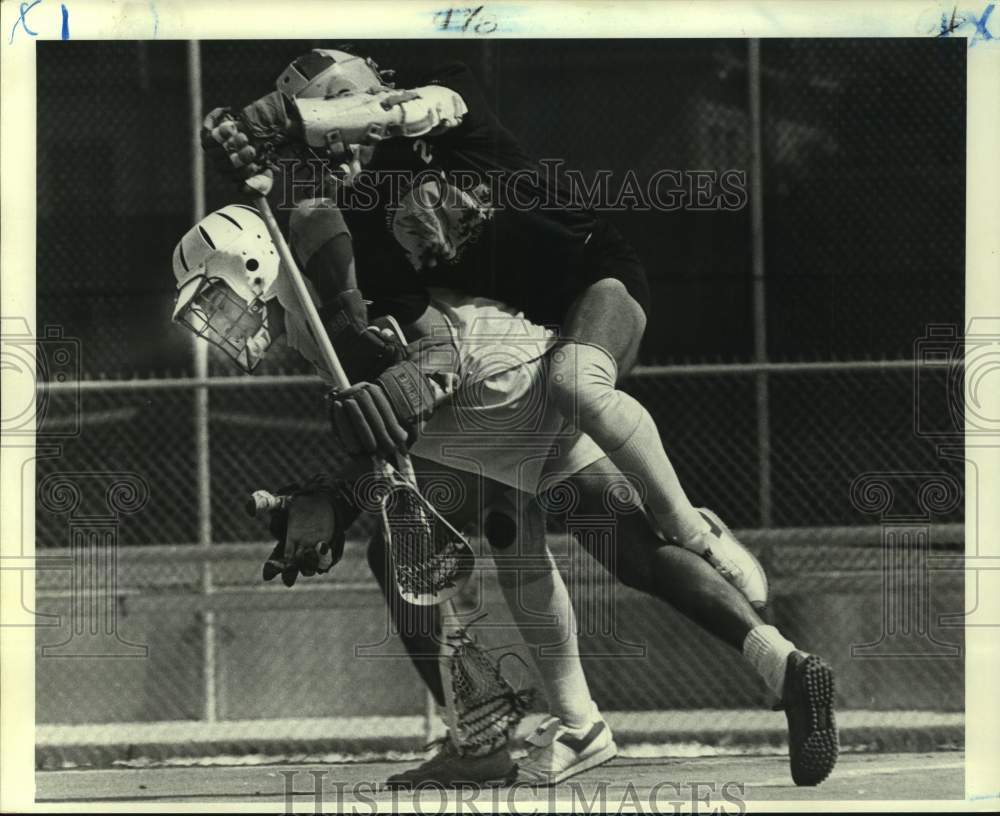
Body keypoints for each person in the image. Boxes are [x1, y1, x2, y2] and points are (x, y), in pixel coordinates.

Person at [171, 201, 839, 787]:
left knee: (402, 549)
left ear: (251, 261)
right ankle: (782, 661)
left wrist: (335, 502)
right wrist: (326, 499)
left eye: (216, 299)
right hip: (517, 365)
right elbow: (392, 426)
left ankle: (487, 740)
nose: (219, 321)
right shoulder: (302, 312)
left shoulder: (327, 286)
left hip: (482, 386)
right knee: (629, 547)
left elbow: (413, 382)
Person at [200, 47, 762, 602]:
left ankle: (693, 529)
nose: (316, 151)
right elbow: (433, 337)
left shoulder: (445, 93)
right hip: (528, 341)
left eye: (318, 130)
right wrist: (404, 389)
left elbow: (411, 110)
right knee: (516, 525)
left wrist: (281, 117)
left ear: (352, 98)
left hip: (594, 277)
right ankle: (579, 694)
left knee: (577, 385)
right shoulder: (359, 229)